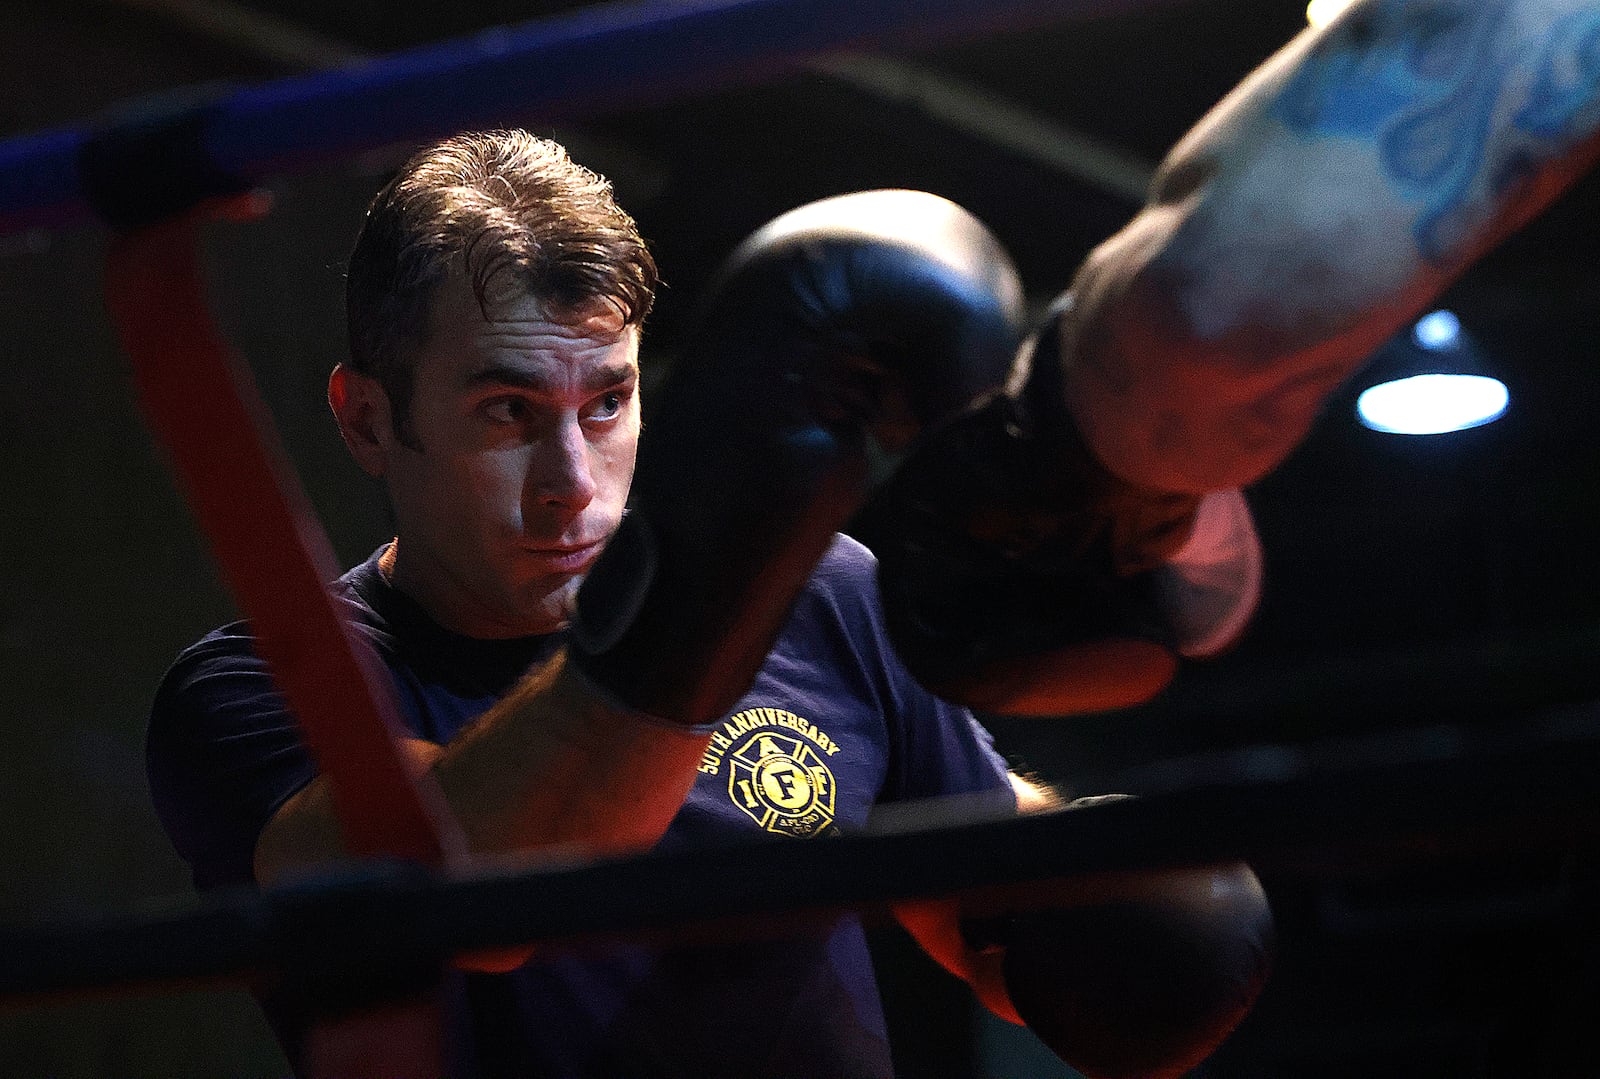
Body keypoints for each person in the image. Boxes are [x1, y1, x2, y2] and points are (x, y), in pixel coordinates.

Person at [146, 1, 1600, 1075]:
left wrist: (1106, 879)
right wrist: (718, 565)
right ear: (365, 419)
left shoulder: (816, 593)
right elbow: (472, 894)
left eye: (610, 403)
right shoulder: (273, 688)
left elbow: (978, 890)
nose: (570, 477)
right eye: (506, 411)